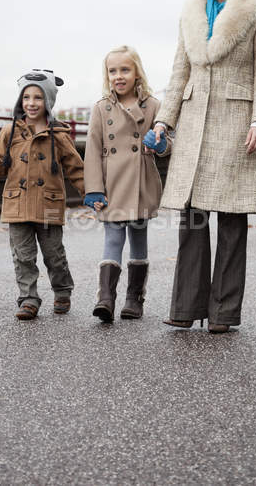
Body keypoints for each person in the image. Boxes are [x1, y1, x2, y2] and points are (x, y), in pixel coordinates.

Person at [148, 0, 256, 333]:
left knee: (232, 220)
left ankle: (223, 313)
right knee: (193, 218)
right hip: (193, 126)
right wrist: (163, 122)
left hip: (236, 125)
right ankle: (186, 307)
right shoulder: (191, 14)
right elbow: (178, 74)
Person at [0, 69, 85, 320]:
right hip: (17, 203)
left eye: (38, 98)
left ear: (49, 101)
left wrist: (91, 194)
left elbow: (76, 168)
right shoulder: (9, 131)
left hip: (49, 204)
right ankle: (28, 299)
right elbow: (0, 163)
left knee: (54, 255)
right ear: (20, 100)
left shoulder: (59, 134)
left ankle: (62, 290)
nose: (31, 103)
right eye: (26, 97)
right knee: (22, 256)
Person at [84, 46, 171, 323]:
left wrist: (160, 145)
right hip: (112, 183)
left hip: (141, 182)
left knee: (138, 239)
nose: (118, 76)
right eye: (112, 71)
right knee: (112, 237)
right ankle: (106, 298)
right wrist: (94, 188)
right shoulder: (101, 108)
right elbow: (92, 150)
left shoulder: (154, 106)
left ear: (137, 73)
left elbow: (170, 143)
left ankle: (134, 299)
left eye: (125, 70)